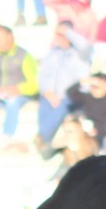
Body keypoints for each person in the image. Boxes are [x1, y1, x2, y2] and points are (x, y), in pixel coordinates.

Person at [35, 21, 92, 154]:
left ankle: (42, 139)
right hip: (52, 95)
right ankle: (45, 140)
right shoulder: (52, 53)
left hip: (74, 95)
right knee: (43, 106)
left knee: (61, 106)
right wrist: (47, 92)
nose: (58, 37)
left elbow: (86, 46)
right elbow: (43, 75)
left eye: (62, 34)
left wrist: (67, 31)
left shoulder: (80, 53)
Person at [0, 25, 38, 141]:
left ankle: (7, 135)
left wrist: (18, 89)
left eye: (1, 37)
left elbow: (34, 83)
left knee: (12, 102)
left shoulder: (24, 55)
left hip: (20, 96)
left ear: (10, 37)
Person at [66, 72, 106, 153]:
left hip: (104, 137)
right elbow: (70, 93)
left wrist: (96, 130)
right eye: (93, 86)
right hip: (85, 134)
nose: (94, 88)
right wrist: (84, 81)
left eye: (98, 86)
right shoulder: (87, 98)